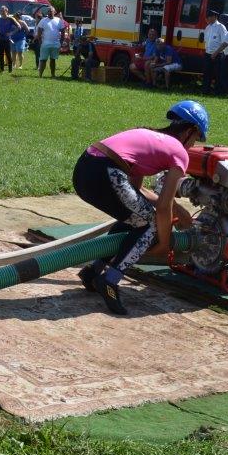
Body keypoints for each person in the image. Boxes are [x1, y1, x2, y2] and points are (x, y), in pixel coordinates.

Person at [71, 100, 207, 315]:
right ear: (190, 131)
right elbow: (163, 207)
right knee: (150, 223)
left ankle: (93, 272)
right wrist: (164, 243)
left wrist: (177, 209)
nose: (193, 145)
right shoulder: (179, 152)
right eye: (196, 138)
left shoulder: (148, 136)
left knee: (134, 219)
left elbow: (136, 191)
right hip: (107, 171)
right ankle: (110, 280)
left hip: (85, 169)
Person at [36, 8, 66, 78]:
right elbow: (39, 31)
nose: (49, 12)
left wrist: (61, 42)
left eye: (51, 11)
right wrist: (40, 42)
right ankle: (40, 75)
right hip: (45, 44)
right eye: (48, 11)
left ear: (54, 12)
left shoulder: (59, 20)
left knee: (53, 60)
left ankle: (53, 75)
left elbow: (63, 31)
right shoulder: (43, 20)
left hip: (55, 44)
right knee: (43, 60)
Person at [202, 13, 227, 93]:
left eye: (209, 17)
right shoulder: (208, 27)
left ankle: (217, 91)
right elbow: (206, 41)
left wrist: (216, 53)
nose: (207, 19)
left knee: (217, 74)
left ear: (215, 17)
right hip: (208, 53)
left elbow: (224, 42)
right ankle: (206, 90)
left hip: (218, 54)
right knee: (207, 73)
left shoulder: (221, 27)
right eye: (207, 17)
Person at [0, 6, 19, 73]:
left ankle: (10, 69)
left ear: (6, 11)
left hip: (7, 39)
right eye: (1, 11)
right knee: (1, 54)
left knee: (8, 54)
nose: (2, 12)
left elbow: (19, 26)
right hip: (0, 39)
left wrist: (11, 33)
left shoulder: (11, 19)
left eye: (3, 11)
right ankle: (1, 69)